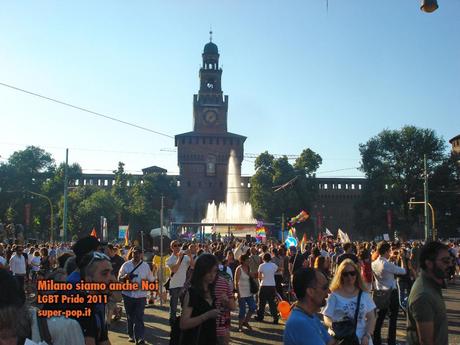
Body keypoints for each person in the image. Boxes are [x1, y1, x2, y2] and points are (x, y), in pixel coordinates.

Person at [406, 241, 451, 345]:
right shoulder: (424, 296)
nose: (449, 264)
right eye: (445, 261)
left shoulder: (432, 284)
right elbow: (426, 341)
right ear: (429, 263)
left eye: (450, 260)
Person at [323, 259, 376, 345]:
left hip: (361, 340)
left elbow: (371, 318)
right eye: (345, 274)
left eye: (352, 273)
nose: (349, 277)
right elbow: (326, 316)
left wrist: (367, 335)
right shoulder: (334, 295)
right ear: (340, 276)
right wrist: (334, 327)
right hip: (341, 339)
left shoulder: (364, 294)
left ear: (357, 274)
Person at [283, 268, 333, 345]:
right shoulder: (300, 322)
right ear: (310, 292)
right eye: (325, 287)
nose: (329, 291)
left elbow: (330, 342)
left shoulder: (310, 315)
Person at [179, 253, 220, 345]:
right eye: (209, 271)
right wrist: (207, 315)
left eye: (215, 271)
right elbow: (183, 324)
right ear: (201, 271)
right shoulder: (192, 293)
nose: (212, 275)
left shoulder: (211, 290)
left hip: (210, 338)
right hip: (195, 339)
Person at [372, 241, 406, 345]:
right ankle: (391, 342)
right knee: (392, 320)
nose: (390, 253)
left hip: (380, 292)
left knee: (379, 319)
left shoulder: (373, 263)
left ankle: (376, 340)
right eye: (389, 251)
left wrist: (390, 261)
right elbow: (403, 271)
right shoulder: (387, 264)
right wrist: (402, 259)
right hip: (391, 293)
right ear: (386, 251)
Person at [118, 247, 155, 344]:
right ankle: (131, 335)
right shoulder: (126, 265)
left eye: (138, 253)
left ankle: (140, 338)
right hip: (128, 295)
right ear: (132, 253)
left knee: (139, 316)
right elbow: (119, 278)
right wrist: (125, 277)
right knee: (130, 317)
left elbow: (151, 280)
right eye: (135, 253)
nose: (136, 255)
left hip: (141, 296)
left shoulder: (145, 266)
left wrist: (142, 285)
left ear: (141, 254)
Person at [167, 240, 192, 325]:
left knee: (184, 306)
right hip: (174, 286)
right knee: (173, 307)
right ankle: (173, 324)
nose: (177, 247)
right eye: (175, 246)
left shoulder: (186, 258)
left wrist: (190, 256)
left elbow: (193, 266)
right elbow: (174, 269)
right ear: (171, 248)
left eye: (179, 245)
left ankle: (182, 323)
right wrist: (179, 258)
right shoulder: (169, 259)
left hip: (183, 285)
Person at [234, 253, 257, 332]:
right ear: (242, 261)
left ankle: (245, 322)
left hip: (249, 292)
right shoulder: (239, 269)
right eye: (247, 260)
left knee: (253, 307)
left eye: (248, 260)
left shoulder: (248, 267)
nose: (248, 261)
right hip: (241, 292)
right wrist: (238, 293)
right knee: (242, 310)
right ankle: (240, 326)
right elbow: (236, 282)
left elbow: (251, 276)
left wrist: (256, 275)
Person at [255, 253, 279, 324]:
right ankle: (275, 317)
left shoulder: (261, 266)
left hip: (264, 285)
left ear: (263, 258)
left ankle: (260, 316)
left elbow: (259, 276)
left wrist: (263, 278)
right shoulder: (274, 265)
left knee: (262, 302)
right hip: (272, 285)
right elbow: (278, 270)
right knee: (272, 303)